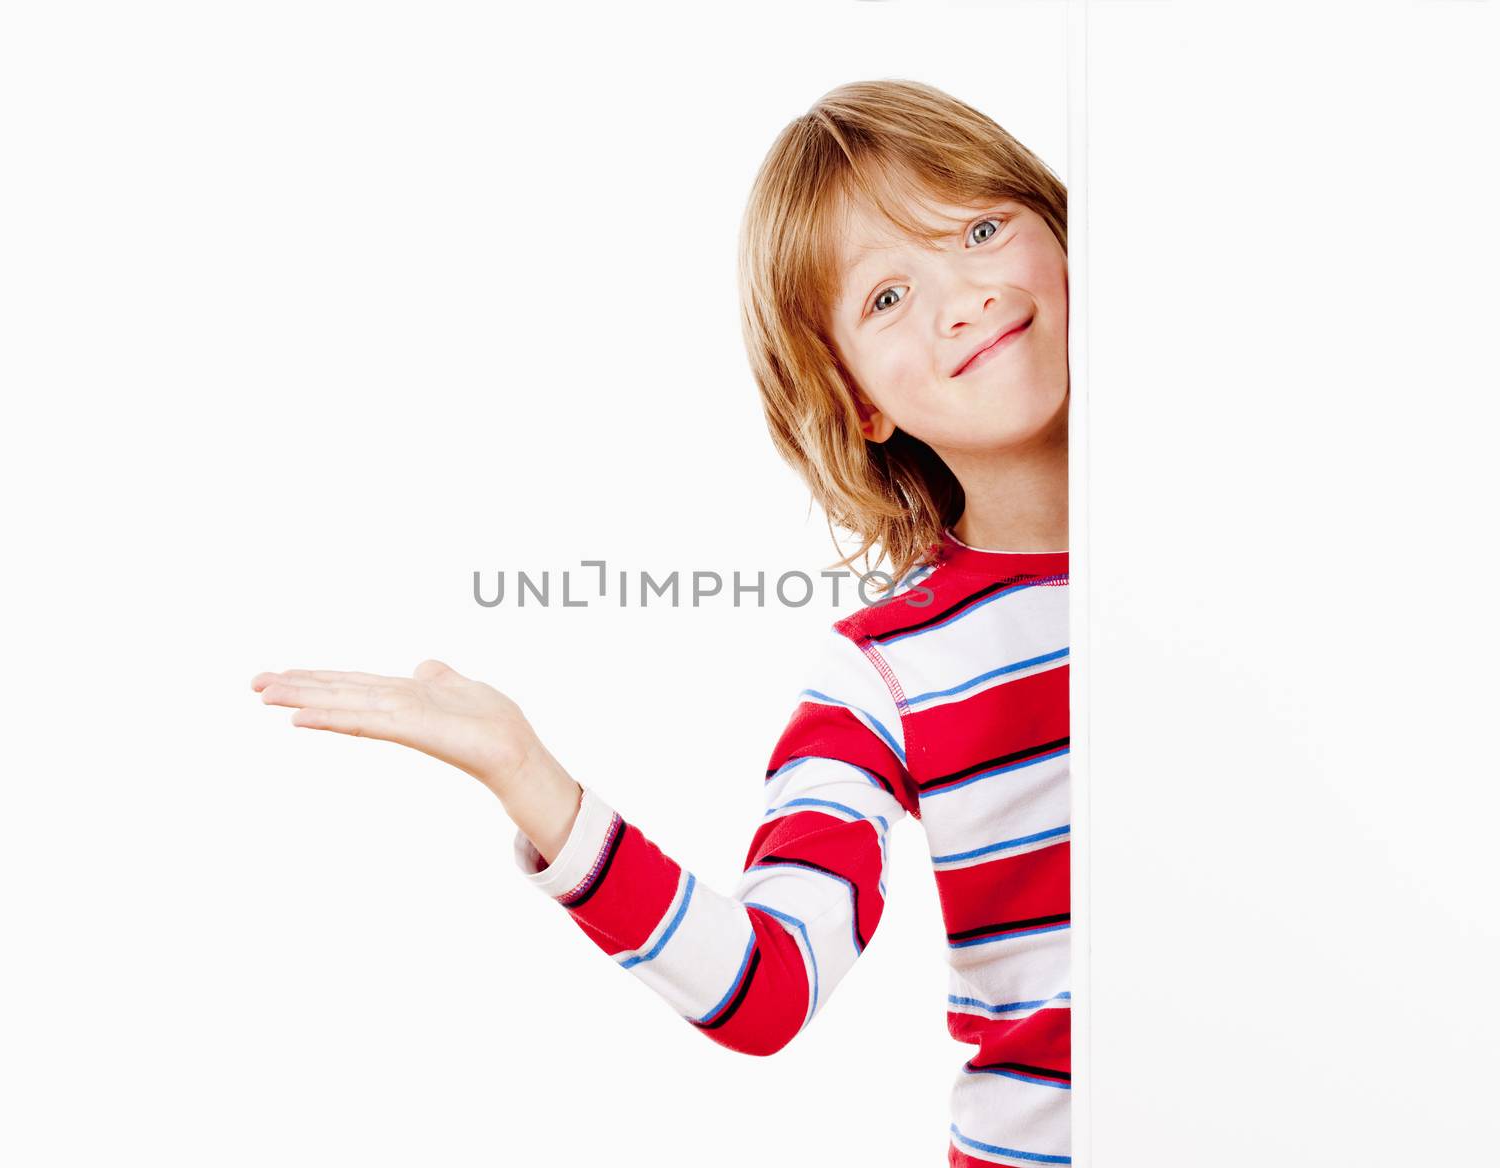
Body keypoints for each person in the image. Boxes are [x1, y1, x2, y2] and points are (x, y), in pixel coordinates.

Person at [251, 79, 1070, 1167]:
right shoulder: (884, 676)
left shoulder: (1266, 553)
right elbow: (765, 986)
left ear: (1064, 236)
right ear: (860, 403)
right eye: (884, 297)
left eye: (978, 228)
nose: (960, 298)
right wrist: (528, 774)